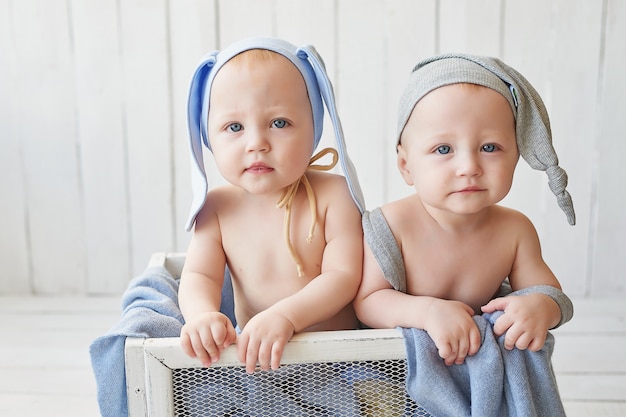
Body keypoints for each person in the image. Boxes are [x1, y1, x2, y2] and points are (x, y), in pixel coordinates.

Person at [354, 53, 575, 367]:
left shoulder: (515, 230)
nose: (469, 167)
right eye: (443, 149)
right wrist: (428, 312)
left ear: (515, 156)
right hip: (394, 368)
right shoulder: (391, 225)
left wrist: (540, 307)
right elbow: (367, 302)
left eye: (490, 148)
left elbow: (549, 293)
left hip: (474, 364)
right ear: (406, 166)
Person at [178, 37, 366, 374]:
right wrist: (202, 315)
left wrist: (286, 316)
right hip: (259, 358)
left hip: (337, 356)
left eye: (279, 123)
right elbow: (198, 275)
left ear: (314, 128)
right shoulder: (217, 208)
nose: (256, 144)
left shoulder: (333, 195)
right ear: (209, 137)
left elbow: (343, 276)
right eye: (234, 127)